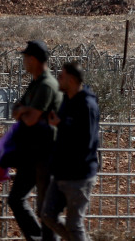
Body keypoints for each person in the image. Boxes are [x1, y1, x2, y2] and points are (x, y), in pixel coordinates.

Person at [9, 41, 63, 241]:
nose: (24, 62)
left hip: (46, 155)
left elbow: (29, 118)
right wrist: (24, 111)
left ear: (33, 59)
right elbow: (17, 110)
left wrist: (24, 111)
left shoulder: (47, 85)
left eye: (25, 58)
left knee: (46, 210)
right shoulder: (35, 84)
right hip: (31, 155)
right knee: (16, 199)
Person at [40, 63, 100, 241]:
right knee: (48, 215)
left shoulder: (87, 106)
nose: (57, 79)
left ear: (72, 80)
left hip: (79, 174)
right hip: (62, 172)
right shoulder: (68, 100)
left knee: (74, 224)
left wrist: (61, 124)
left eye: (61, 76)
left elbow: (86, 142)